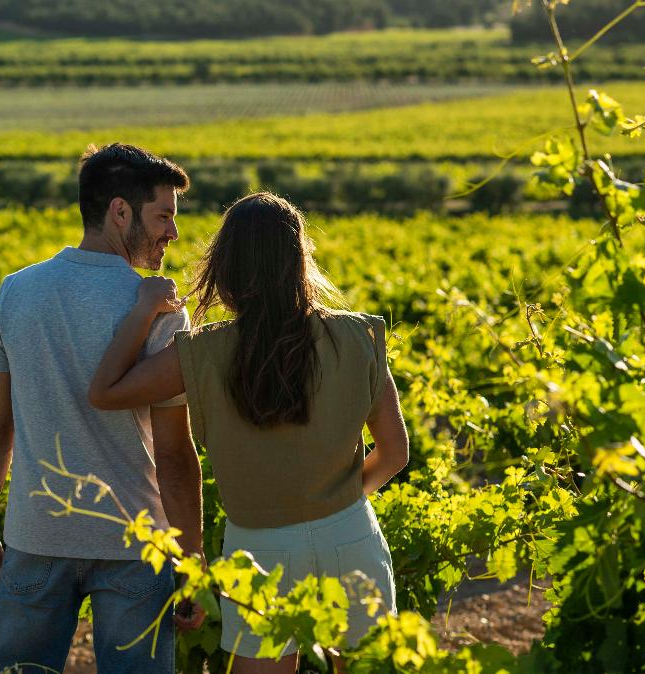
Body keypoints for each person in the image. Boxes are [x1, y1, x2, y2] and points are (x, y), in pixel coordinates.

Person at [88, 192, 409, 674]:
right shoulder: (358, 337)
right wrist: (333, 498)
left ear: (227, 267)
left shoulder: (202, 351)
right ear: (300, 262)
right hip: (350, 534)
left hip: (258, 551)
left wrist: (142, 311)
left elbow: (106, 391)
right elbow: (395, 453)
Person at [0, 143, 205, 674]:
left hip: (37, 533)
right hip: (137, 544)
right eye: (164, 216)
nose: (173, 232)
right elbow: (172, 454)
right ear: (120, 211)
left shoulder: (15, 293)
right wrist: (191, 556)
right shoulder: (161, 307)